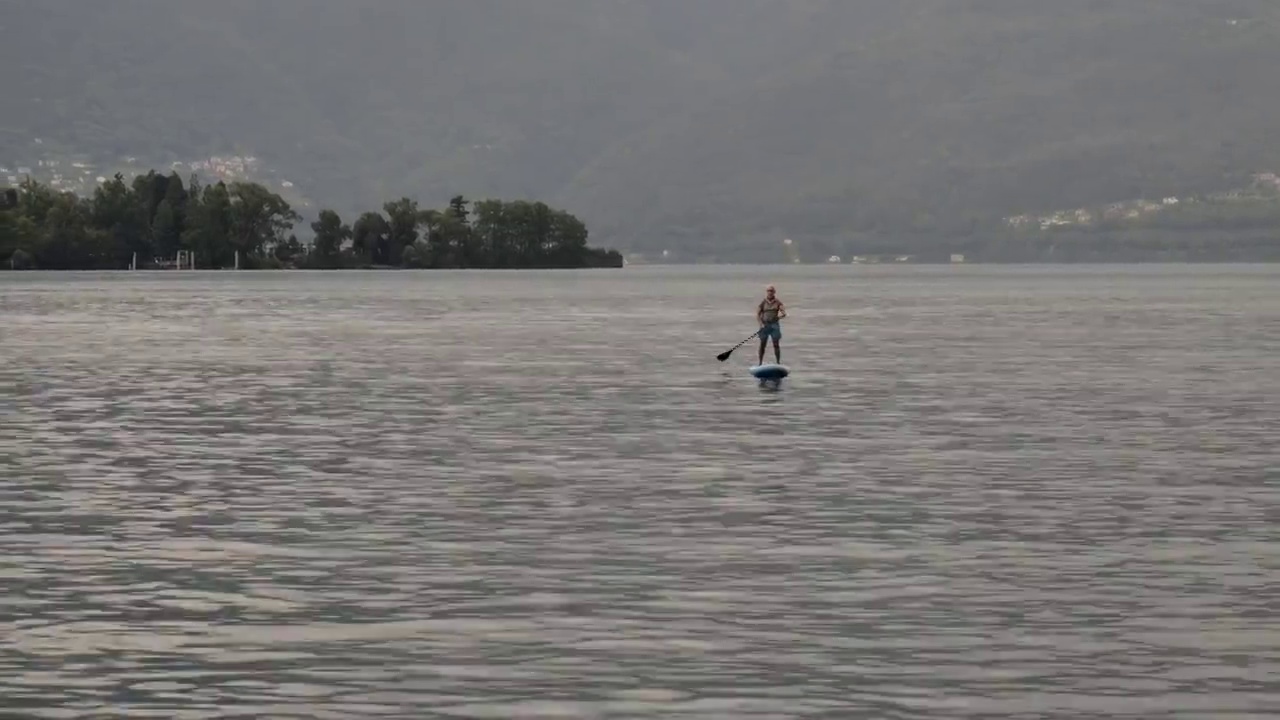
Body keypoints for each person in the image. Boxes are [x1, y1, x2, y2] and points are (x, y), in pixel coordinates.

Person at [756, 284, 786, 365]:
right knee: (762, 344)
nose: (770, 292)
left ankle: (778, 362)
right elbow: (758, 314)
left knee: (776, 344)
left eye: (771, 291)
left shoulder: (777, 302)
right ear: (767, 292)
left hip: (774, 325)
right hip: (765, 325)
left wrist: (780, 316)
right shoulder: (763, 302)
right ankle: (760, 363)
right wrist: (760, 324)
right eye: (768, 291)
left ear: (774, 292)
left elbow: (783, 313)